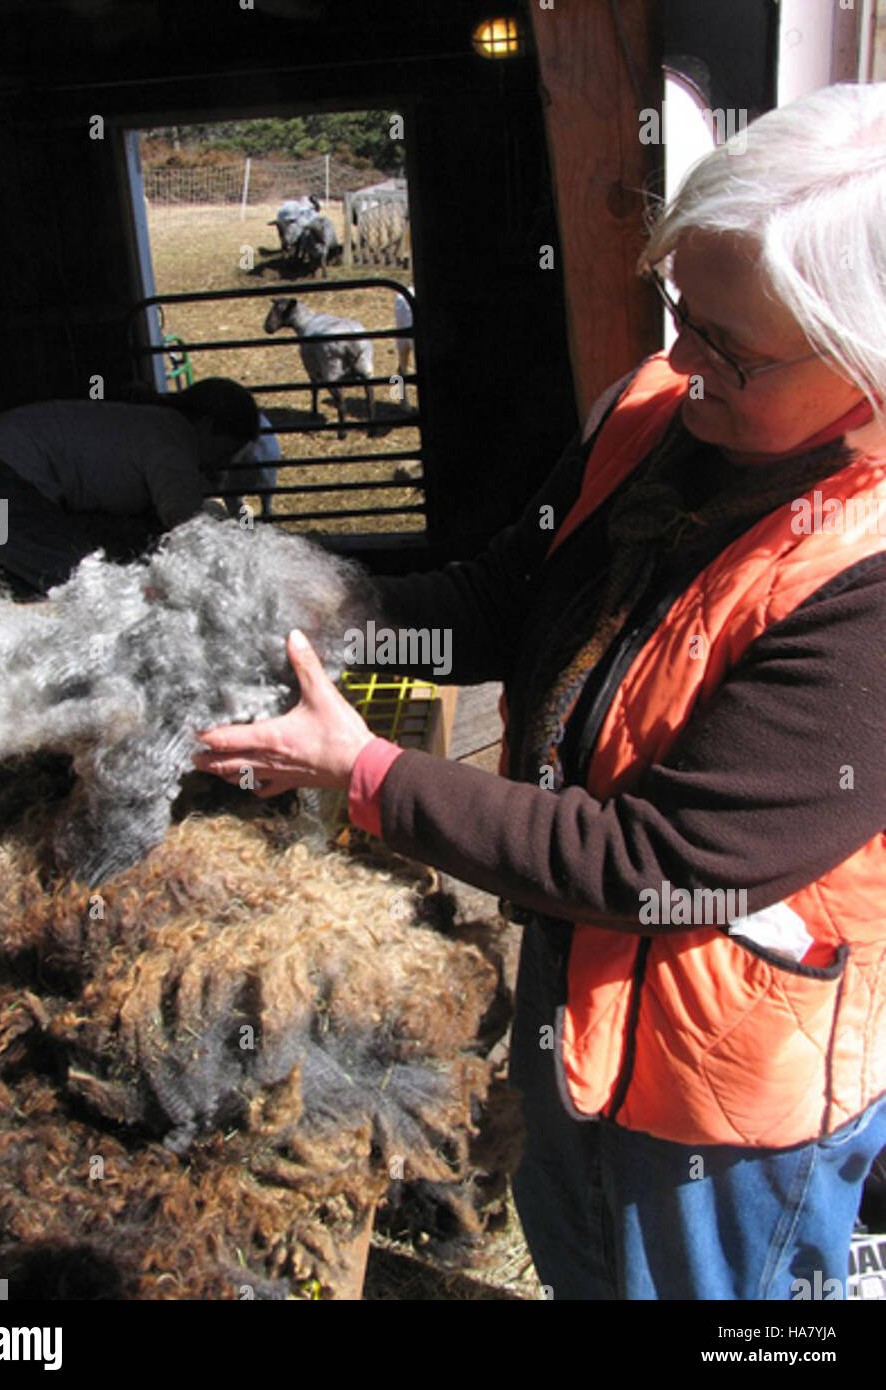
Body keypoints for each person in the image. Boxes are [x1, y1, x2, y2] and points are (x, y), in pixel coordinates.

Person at [193, 84, 886, 1301]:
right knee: (580, 1263)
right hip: (576, 983)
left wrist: (363, 774)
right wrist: (321, 620)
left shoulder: (868, 578)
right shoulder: (662, 413)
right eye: (682, 310)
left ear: (863, 352)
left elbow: (660, 860)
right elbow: (513, 593)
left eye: (729, 345)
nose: (678, 359)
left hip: (725, 1080)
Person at [0, 378, 259, 596]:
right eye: (226, 450)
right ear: (207, 425)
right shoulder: (174, 436)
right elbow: (186, 523)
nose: (223, 463)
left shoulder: (142, 422)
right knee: (85, 591)